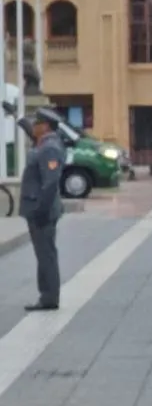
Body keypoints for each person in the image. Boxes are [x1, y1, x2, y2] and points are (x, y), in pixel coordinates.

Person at [20, 107, 65, 312]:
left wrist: (40, 211)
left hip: (42, 211)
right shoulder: (45, 143)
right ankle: (47, 295)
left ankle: (49, 297)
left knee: (46, 254)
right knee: (44, 253)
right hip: (40, 210)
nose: (34, 126)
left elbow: (50, 183)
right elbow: (30, 131)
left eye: (37, 123)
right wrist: (17, 117)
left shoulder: (49, 148)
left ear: (45, 126)